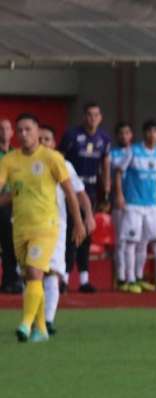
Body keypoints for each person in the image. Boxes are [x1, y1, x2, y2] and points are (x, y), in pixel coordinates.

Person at [0, 113, 85, 342]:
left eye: (28, 129)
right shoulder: (9, 161)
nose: (23, 134)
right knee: (30, 278)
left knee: (35, 271)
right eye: (20, 130)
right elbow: (7, 192)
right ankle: (41, 329)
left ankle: (26, 324)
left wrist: (78, 221)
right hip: (20, 228)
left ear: (37, 131)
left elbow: (70, 192)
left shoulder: (52, 158)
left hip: (46, 227)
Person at [39, 124, 94, 334]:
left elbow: (79, 194)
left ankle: (48, 320)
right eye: (40, 139)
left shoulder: (64, 165)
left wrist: (87, 216)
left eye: (47, 139)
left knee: (52, 273)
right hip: (28, 226)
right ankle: (32, 318)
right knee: (32, 275)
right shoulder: (24, 163)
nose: (43, 143)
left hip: (56, 226)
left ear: (54, 143)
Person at [117, 119, 156, 292]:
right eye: (149, 131)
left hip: (152, 205)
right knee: (131, 242)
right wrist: (120, 195)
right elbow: (119, 172)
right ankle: (130, 280)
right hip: (133, 204)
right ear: (144, 134)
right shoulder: (133, 151)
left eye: (155, 131)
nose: (152, 135)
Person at [58, 102, 111, 293]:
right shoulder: (71, 135)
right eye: (89, 114)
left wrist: (106, 191)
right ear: (84, 116)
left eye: (96, 115)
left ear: (101, 117)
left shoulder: (104, 138)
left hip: (91, 191)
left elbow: (105, 165)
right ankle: (64, 278)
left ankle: (84, 279)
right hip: (71, 190)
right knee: (71, 234)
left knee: (87, 234)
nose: (92, 118)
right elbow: (59, 161)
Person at [110, 122, 138, 293]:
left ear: (132, 135)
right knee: (121, 240)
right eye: (121, 133)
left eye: (127, 133)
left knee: (134, 241)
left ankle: (133, 276)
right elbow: (109, 176)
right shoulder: (112, 154)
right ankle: (121, 277)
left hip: (136, 202)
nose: (124, 136)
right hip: (119, 201)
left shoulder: (137, 152)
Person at [0, 117, 19, 294]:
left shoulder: (17, 155)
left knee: (11, 244)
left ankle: (10, 280)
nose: (4, 132)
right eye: (1, 128)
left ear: (12, 132)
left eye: (7, 128)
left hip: (14, 205)